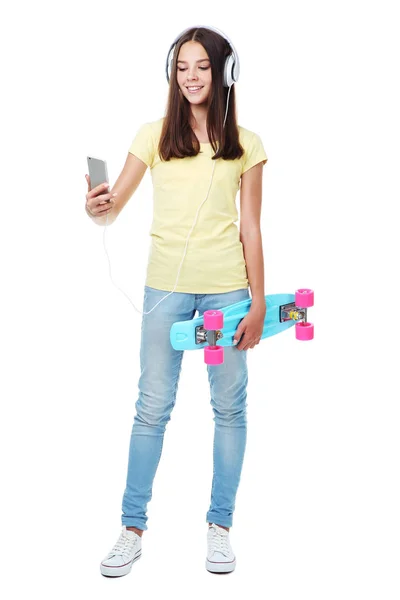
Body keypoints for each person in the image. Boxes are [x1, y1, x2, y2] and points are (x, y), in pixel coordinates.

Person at [85, 25, 268, 576]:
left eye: (203, 66)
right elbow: (113, 206)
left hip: (227, 290)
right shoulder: (153, 135)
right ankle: (131, 529)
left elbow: (252, 229)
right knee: (151, 407)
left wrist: (258, 303)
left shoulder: (247, 144)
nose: (191, 77)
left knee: (229, 407)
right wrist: (96, 207)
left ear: (224, 73)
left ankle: (219, 527)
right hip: (164, 289)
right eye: (183, 67)